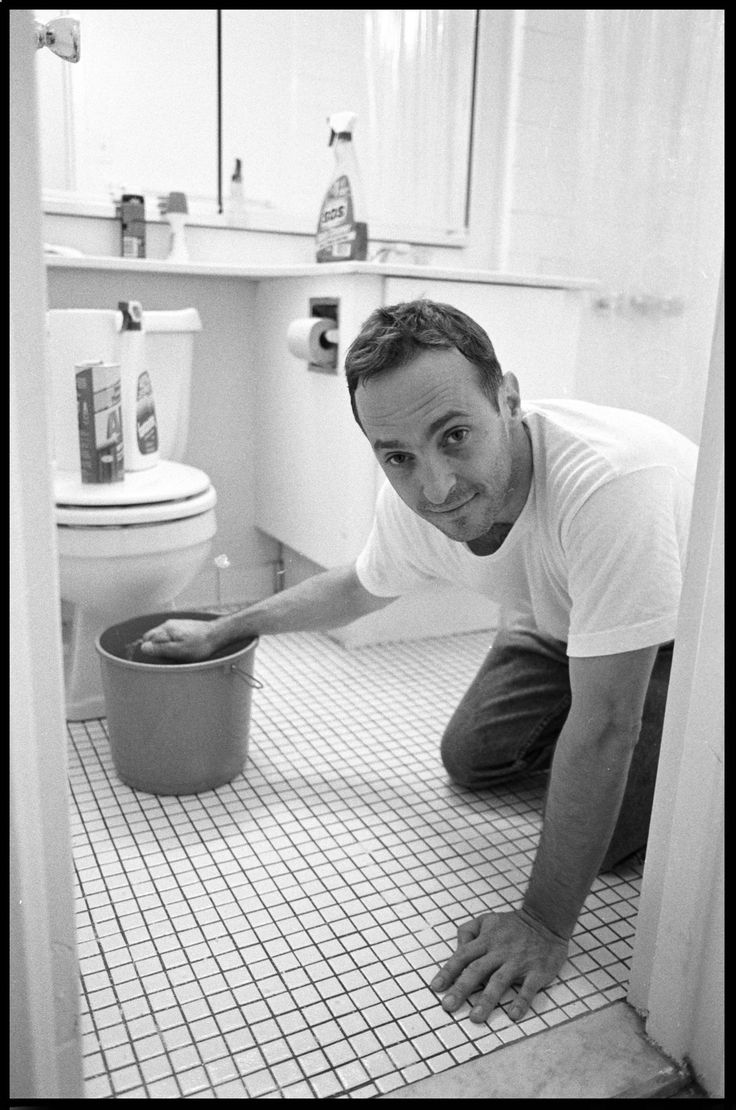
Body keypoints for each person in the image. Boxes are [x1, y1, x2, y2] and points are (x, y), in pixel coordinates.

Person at [140, 299, 697, 1024]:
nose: (435, 488)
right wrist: (226, 630)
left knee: (617, 832)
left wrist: (543, 921)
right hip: (561, 622)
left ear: (509, 399)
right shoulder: (413, 495)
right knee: (473, 757)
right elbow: (357, 586)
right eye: (398, 455)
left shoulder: (610, 487)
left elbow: (605, 727)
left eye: (456, 436)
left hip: (684, 638)